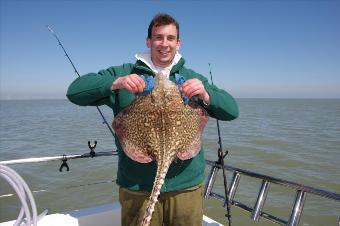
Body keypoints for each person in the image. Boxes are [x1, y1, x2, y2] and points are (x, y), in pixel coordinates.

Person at [67, 13, 239, 226]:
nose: (164, 43)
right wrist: (117, 82)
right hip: (137, 187)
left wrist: (205, 95)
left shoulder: (193, 77)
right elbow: (74, 91)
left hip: (186, 186)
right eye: (158, 37)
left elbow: (232, 111)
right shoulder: (125, 72)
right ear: (149, 41)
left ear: (178, 43)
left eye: (170, 38)